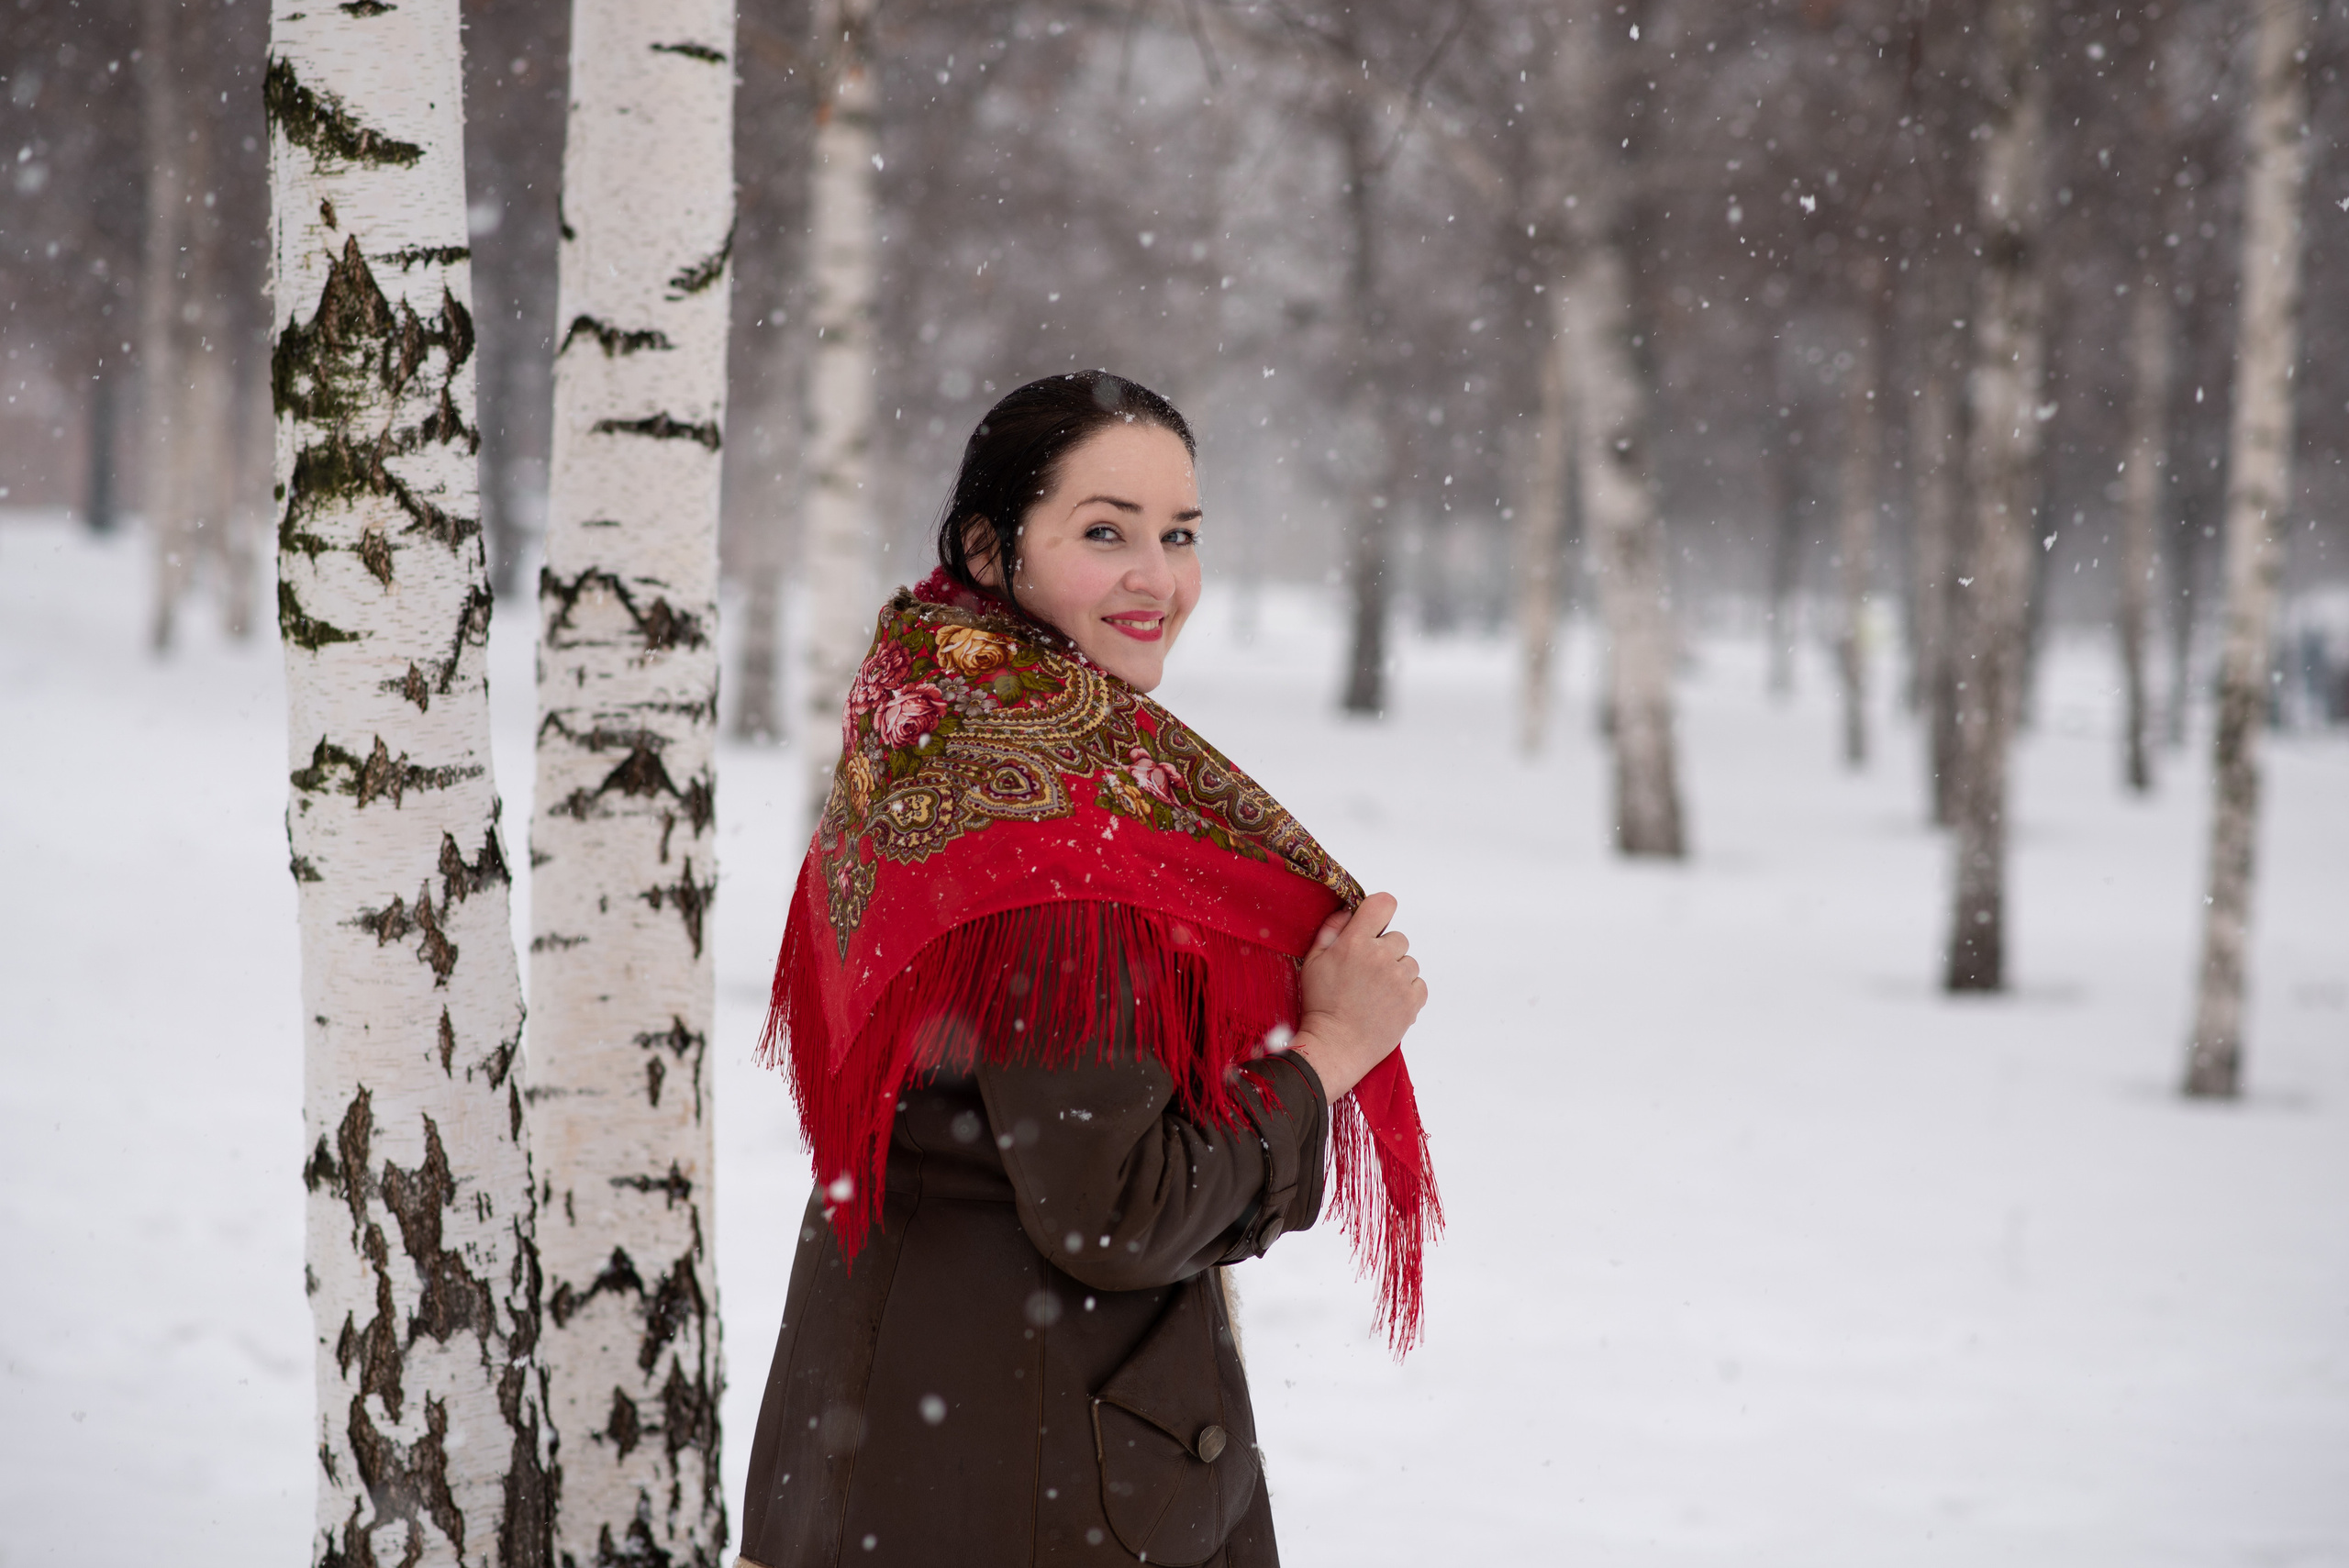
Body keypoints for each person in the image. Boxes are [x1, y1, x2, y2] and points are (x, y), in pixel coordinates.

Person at [737, 370, 1437, 1568]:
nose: (1157, 577)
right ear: (989, 547)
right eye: (1104, 531)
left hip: (895, 1438)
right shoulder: (1057, 844)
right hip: (1041, 1479)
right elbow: (1118, 1212)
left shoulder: (929, 718)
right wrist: (1328, 1051)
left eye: (1180, 534)